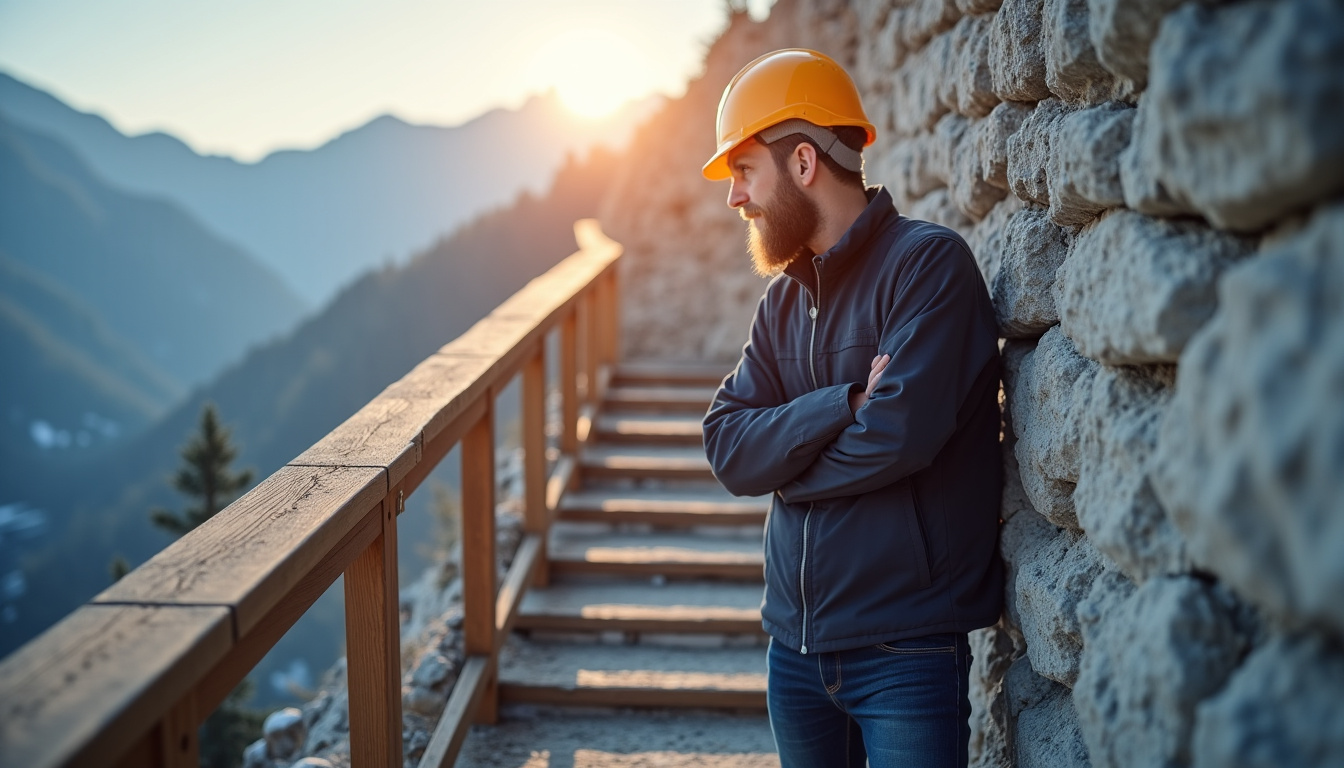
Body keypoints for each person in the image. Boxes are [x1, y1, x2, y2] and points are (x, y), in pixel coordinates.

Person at [700, 48, 1004, 768]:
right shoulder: (782, 303)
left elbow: (896, 438)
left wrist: (787, 463)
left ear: (803, 162)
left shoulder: (929, 267)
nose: (734, 198)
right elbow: (728, 447)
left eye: (744, 171)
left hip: (906, 649)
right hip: (794, 655)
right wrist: (844, 402)